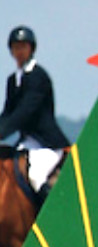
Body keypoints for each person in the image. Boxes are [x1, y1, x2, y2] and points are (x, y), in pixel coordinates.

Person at [0, 25, 69, 199]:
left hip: (47, 145)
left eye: (23, 47)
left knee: (35, 176)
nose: (19, 51)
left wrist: (2, 132)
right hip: (26, 143)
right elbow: (8, 112)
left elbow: (25, 112)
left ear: (31, 49)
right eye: (16, 47)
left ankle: (54, 215)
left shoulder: (38, 76)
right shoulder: (12, 80)